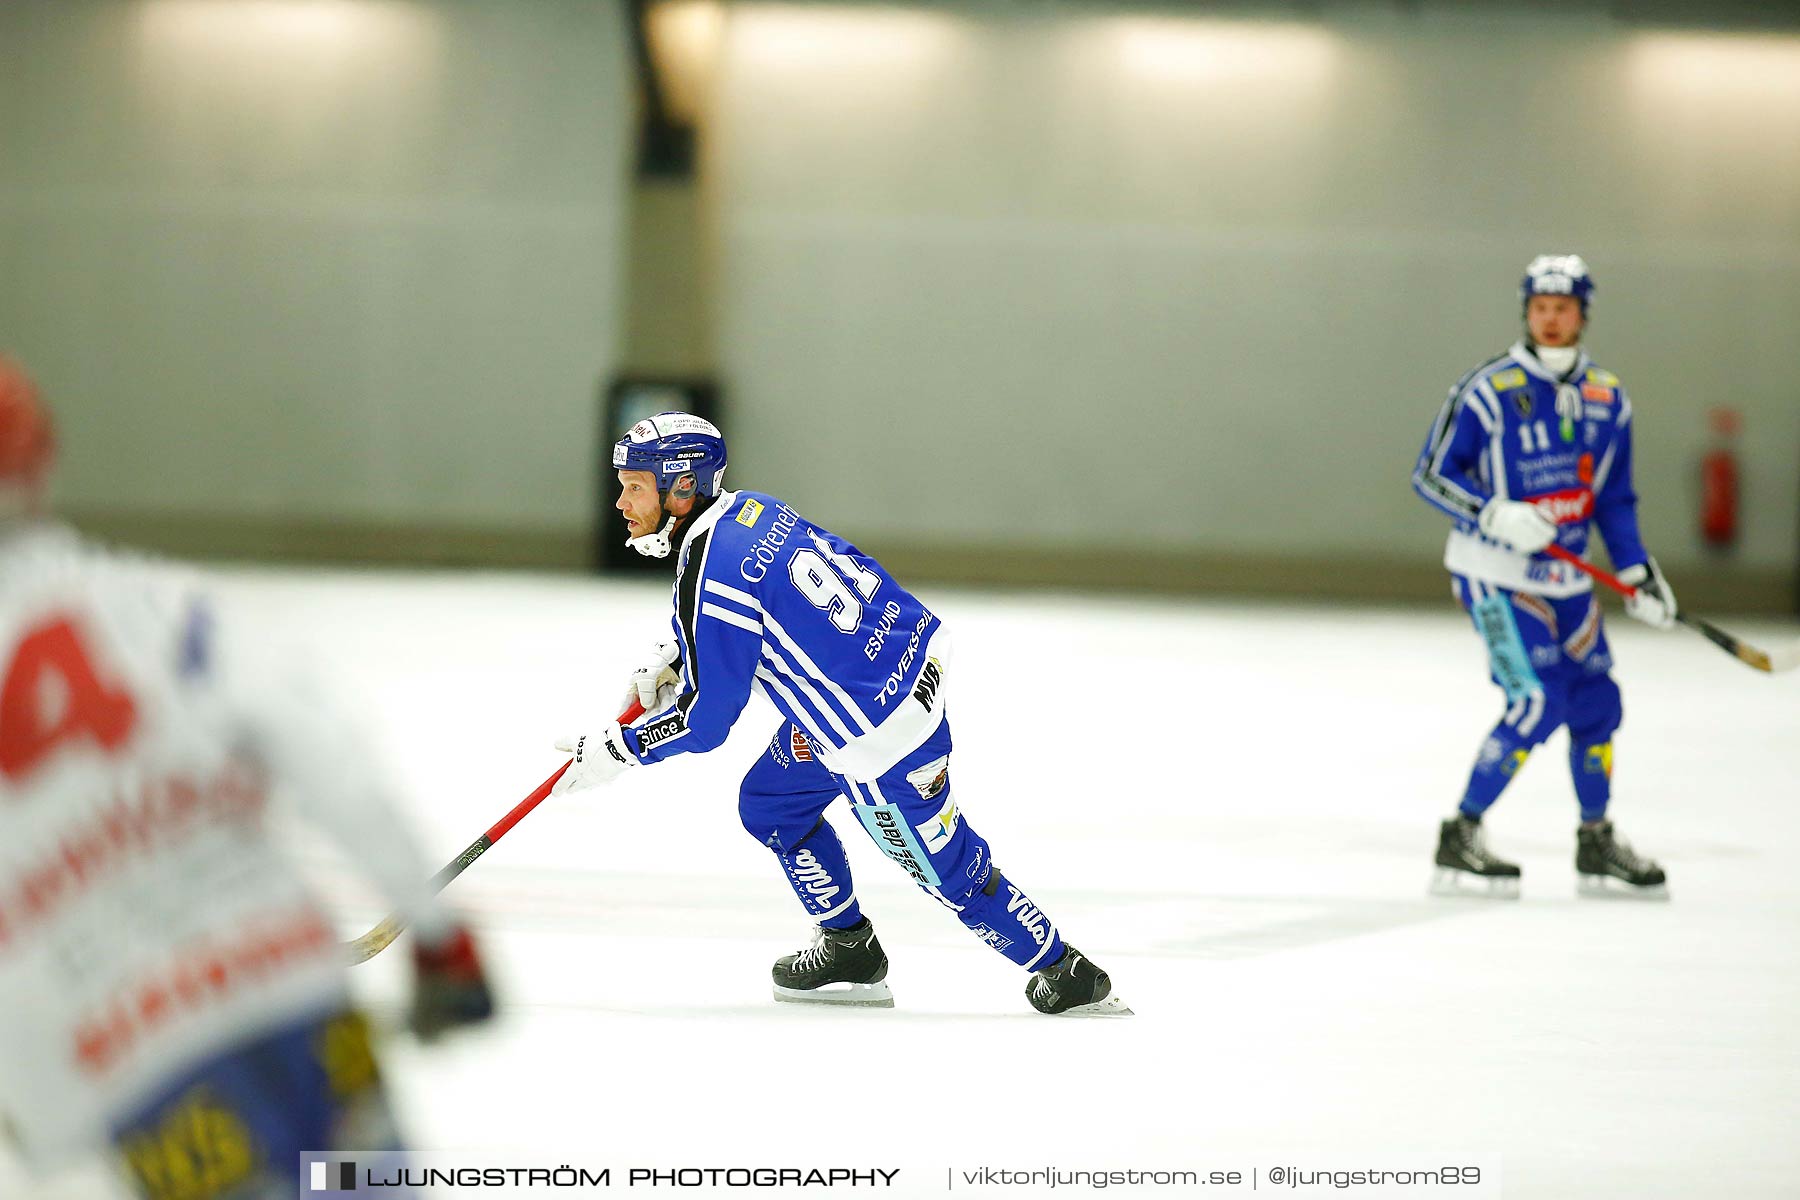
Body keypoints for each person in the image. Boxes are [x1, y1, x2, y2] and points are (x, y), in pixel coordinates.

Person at [0, 356, 495, 1199]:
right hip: (291, 991)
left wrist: (43, 1114)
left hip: (141, 1066)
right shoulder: (158, 602)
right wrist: (440, 935)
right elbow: (327, 754)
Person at [551, 412, 1130, 1017]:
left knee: (945, 867)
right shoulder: (752, 511)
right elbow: (770, 600)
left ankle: (1067, 974)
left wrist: (616, 751)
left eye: (634, 486)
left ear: (683, 487)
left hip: (875, 742)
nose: (620, 501)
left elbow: (706, 721)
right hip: (896, 674)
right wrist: (678, 652)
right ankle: (849, 947)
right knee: (772, 802)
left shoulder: (707, 566)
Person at [1411, 256, 1673, 897]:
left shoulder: (1608, 398)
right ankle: (1462, 829)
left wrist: (1637, 569)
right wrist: (1493, 512)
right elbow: (1432, 473)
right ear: (1526, 312)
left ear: (1583, 314)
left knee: (1596, 703)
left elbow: (1614, 497)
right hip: (1494, 575)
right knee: (1537, 701)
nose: (1550, 319)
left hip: (1568, 580)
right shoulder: (1487, 391)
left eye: (1563, 308)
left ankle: (1596, 837)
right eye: (1539, 308)